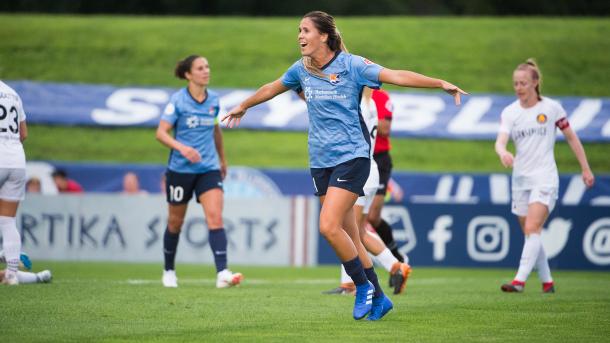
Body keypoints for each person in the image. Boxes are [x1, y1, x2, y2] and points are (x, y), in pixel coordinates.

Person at [223, 11, 465, 320]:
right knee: (350, 234)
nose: (299, 35)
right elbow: (272, 86)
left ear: (323, 35)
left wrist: (439, 83)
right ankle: (379, 297)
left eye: (305, 30)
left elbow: (396, 75)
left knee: (328, 226)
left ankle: (361, 286)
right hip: (320, 162)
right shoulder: (302, 69)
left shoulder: (352, 66)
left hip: (352, 157)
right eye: (298, 30)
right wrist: (243, 106)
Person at [495, 59, 594, 293]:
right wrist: (503, 152)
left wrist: (585, 167)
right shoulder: (510, 112)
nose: (519, 87)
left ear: (536, 83)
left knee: (532, 228)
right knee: (532, 234)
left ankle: (519, 280)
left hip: (545, 177)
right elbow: (500, 141)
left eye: (523, 83)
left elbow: (571, 137)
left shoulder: (551, 108)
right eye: (515, 83)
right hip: (520, 179)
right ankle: (547, 281)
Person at [156, 54, 242, 289]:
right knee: (175, 223)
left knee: (215, 218)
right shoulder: (178, 101)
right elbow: (161, 133)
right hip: (180, 170)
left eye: (207, 67)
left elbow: (216, 131)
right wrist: (182, 148)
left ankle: (222, 273)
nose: (206, 71)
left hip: (208, 169)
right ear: (188, 74)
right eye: (200, 68)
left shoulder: (214, 99)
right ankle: (169, 271)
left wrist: (222, 160)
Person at [323, 88, 411, 296]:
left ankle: (356, 282)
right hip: (370, 169)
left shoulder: (359, 105)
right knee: (357, 231)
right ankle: (393, 266)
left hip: (360, 171)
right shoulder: (370, 105)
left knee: (348, 229)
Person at [367, 89, 406, 267]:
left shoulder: (380, 97)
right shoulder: (349, 92)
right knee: (353, 220)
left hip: (379, 159)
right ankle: (353, 277)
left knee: (373, 217)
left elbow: (384, 128)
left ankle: (397, 258)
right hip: (356, 158)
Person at [0, 80, 28, 285]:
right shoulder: (13, 94)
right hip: (16, 160)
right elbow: (23, 134)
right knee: (8, 220)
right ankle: (11, 274)